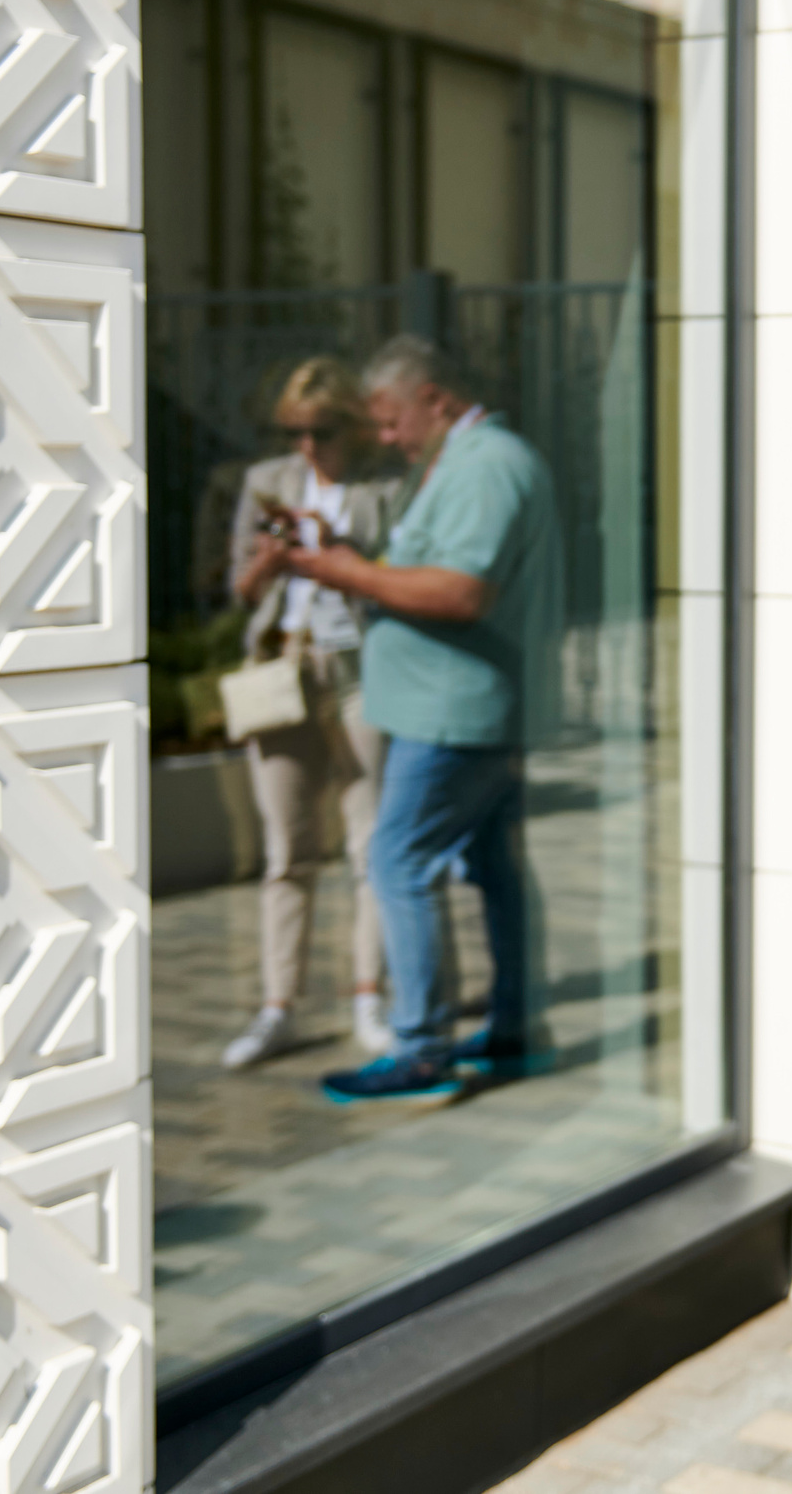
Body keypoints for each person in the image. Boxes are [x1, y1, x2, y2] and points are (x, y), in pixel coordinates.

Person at [275, 334, 564, 1103]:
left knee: (398, 861)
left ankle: (422, 1050)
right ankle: (515, 1028)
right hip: (456, 706)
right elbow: (422, 567)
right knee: (496, 869)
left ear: (434, 399)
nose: (385, 436)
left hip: (454, 713)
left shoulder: (487, 465)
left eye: (391, 419)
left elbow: (461, 591)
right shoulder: (455, 461)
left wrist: (346, 572)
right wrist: (349, 555)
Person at [220, 359, 403, 1067]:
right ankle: (278, 1007)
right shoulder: (268, 482)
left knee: (370, 843)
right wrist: (269, 562)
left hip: (361, 669)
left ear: (351, 427)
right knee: (286, 850)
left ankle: (368, 998)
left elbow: (395, 580)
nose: (306, 446)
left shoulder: (384, 490)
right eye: (294, 431)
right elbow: (238, 590)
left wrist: (338, 553)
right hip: (284, 668)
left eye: (321, 431)